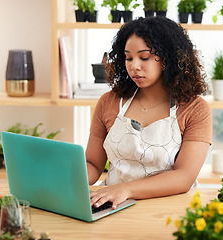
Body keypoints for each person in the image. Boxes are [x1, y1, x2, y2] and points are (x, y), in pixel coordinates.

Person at [86, 16, 212, 210]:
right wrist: (63, 174)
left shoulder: (195, 108)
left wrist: (125, 189)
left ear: (169, 58)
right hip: (111, 207)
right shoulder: (109, 102)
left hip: (170, 210)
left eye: (144, 57)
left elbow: (184, 177)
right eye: (128, 57)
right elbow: (93, 166)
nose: (134, 65)